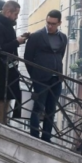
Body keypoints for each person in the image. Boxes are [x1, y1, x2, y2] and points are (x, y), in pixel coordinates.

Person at [24, 10, 68, 142]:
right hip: (40, 78)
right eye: (48, 23)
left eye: (53, 24)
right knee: (38, 107)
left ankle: (46, 137)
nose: (50, 26)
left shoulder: (63, 38)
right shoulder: (36, 36)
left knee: (51, 108)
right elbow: (28, 58)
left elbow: (61, 55)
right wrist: (34, 75)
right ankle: (34, 136)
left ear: (59, 23)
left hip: (56, 78)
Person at [0, 0, 26, 123]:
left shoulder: (6, 25)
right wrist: (17, 42)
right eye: (16, 14)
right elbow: (0, 48)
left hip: (10, 67)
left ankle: (5, 121)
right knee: (1, 98)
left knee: (9, 96)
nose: (17, 17)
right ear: (8, 12)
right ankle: (0, 123)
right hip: (2, 69)